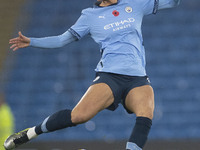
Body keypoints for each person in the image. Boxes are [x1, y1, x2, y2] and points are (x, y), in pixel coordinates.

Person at [4, 0, 180, 149]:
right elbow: (61, 40)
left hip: (138, 77)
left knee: (146, 114)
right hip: (110, 76)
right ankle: (30, 133)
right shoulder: (90, 16)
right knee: (79, 116)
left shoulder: (135, 4)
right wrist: (32, 41)